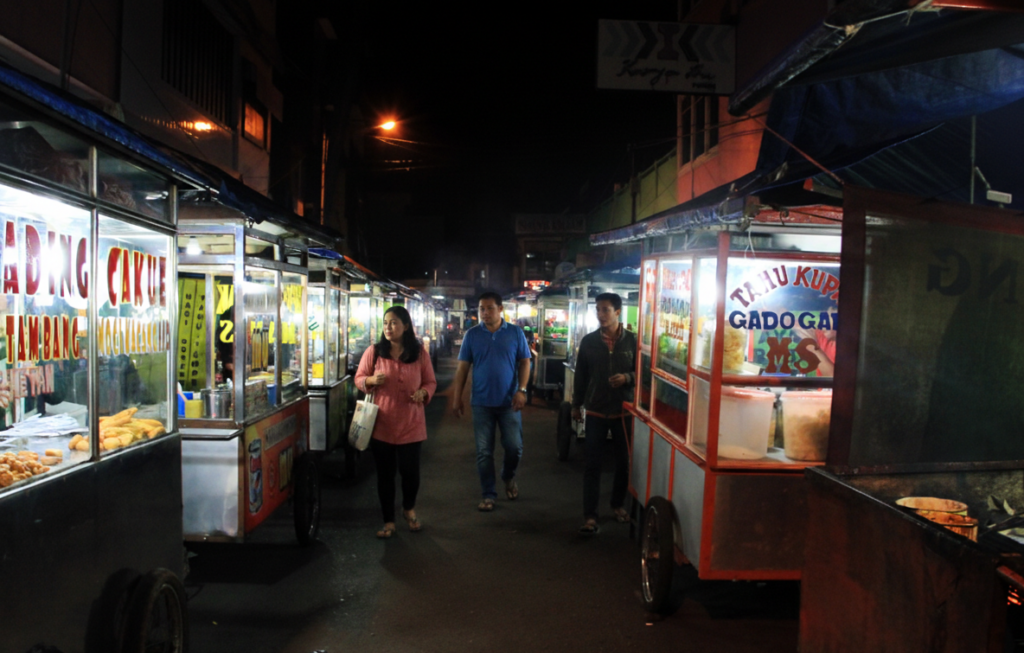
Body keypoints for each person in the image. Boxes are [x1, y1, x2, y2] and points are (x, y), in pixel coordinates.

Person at [355, 306, 437, 538]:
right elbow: (359, 378)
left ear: (406, 326)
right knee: (385, 475)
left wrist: (424, 393)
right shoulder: (375, 351)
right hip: (382, 425)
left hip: (412, 424)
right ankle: (388, 521)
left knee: (410, 473)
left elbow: (430, 382)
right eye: (385, 323)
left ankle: (408, 509)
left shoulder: (420, 353)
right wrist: (370, 380)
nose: (388, 328)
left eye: (393, 323)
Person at [452, 292, 532, 511]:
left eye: (489, 308)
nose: (485, 313)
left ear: (500, 309)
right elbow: (462, 368)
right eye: (481, 309)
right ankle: (488, 494)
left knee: (514, 447)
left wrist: (522, 390)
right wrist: (457, 398)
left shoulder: (515, 333)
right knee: (484, 451)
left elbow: (525, 362)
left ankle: (507, 476)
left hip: (509, 403)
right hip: (481, 402)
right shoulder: (472, 335)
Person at [572, 293, 636, 534]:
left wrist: (627, 378)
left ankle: (617, 504)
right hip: (597, 411)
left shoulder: (633, 341)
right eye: (598, 310)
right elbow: (581, 376)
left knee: (624, 463)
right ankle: (590, 516)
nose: (600, 314)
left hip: (623, 411)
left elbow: (646, 373)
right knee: (592, 465)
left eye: (605, 310)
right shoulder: (589, 342)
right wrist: (577, 405)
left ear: (618, 312)